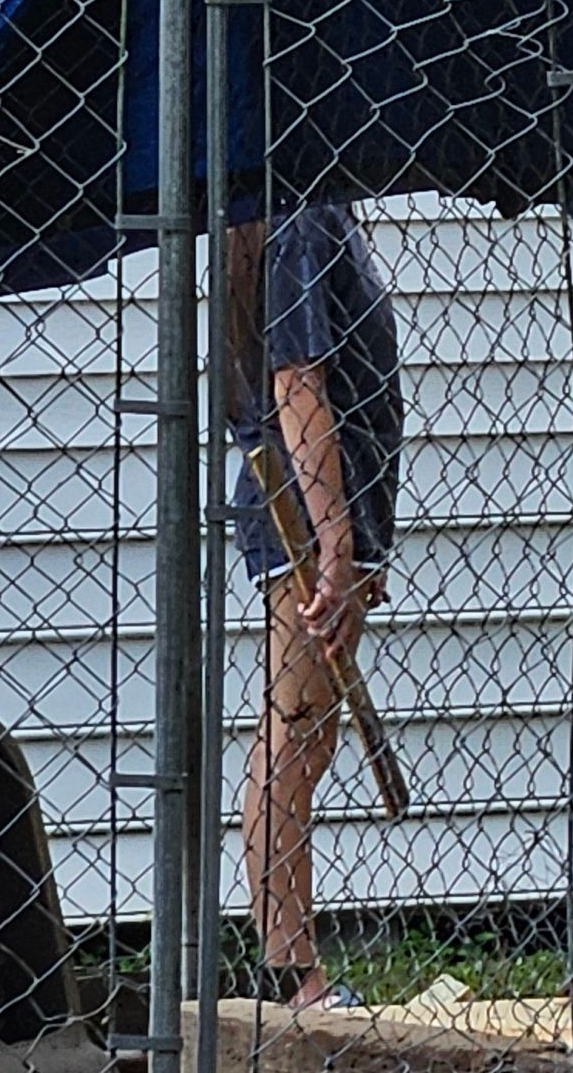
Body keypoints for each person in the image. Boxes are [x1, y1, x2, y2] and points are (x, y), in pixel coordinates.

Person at [223, 198, 403, 1011]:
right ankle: (295, 977)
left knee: (309, 736)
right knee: (292, 737)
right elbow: (298, 384)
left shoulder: (307, 210)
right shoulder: (299, 212)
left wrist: (360, 540)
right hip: (297, 513)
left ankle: (295, 969)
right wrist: (331, 544)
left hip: (332, 515)